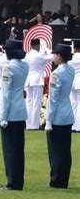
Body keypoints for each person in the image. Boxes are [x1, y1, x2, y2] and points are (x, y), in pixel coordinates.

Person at [0, 40, 28, 191]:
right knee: (18, 149)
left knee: (10, 149)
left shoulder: (8, 68)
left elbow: (5, 95)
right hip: (20, 109)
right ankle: (18, 180)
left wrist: (3, 116)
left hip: (10, 112)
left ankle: (12, 182)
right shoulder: (24, 65)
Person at [44, 44, 75, 188]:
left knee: (55, 151)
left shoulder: (56, 73)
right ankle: (63, 180)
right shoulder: (70, 70)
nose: (53, 57)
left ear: (60, 56)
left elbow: (53, 99)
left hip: (57, 116)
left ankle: (56, 181)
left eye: (55, 54)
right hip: (67, 113)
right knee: (65, 150)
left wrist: (48, 120)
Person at [24, 38, 54, 130]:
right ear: (37, 46)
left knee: (29, 103)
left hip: (29, 80)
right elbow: (53, 57)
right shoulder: (39, 55)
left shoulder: (27, 55)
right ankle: (34, 125)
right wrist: (47, 50)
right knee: (36, 103)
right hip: (37, 80)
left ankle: (28, 124)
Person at [69, 41, 80, 132]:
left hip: (72, 82)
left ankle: (72, 126)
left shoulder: (70, 58)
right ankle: (78, 126)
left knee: (73, 104)